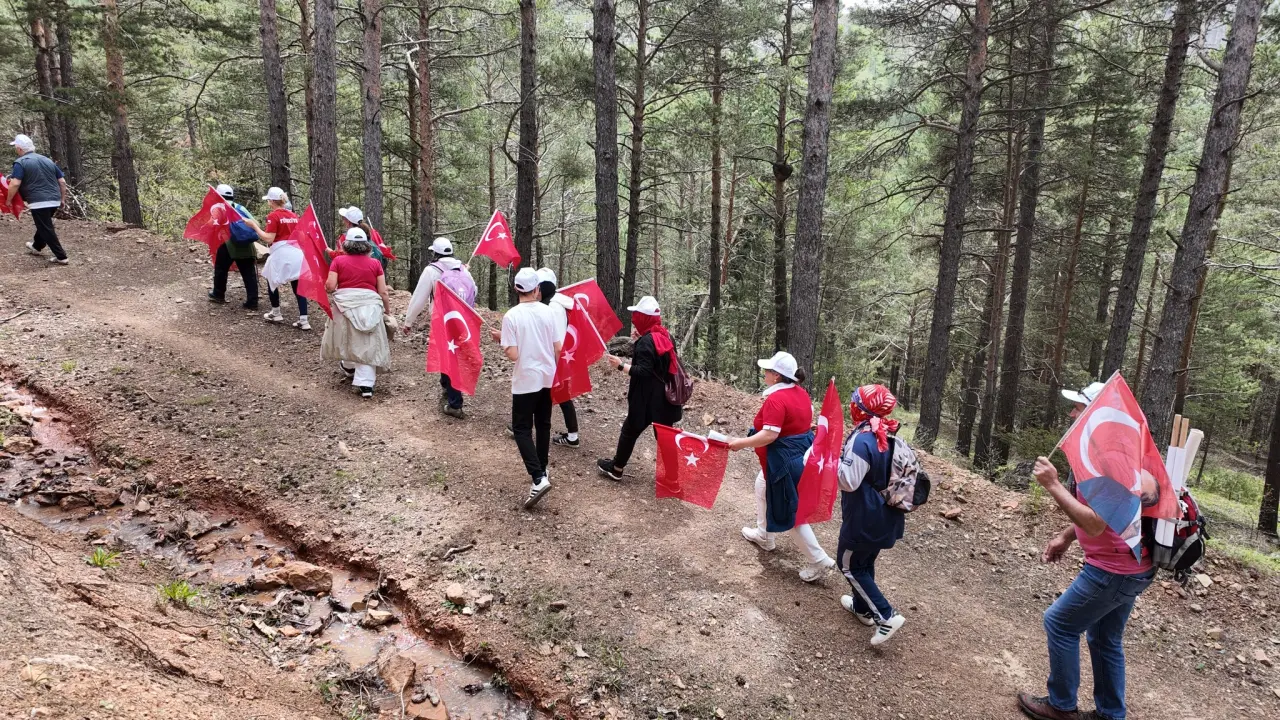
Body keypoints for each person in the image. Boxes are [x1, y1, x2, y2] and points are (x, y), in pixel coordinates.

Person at [1017, 382, 1155, 720]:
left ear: (1096, 413)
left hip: (1114, 570)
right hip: (1131, 567)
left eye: (1079, 407)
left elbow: (1095, 523)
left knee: (1059, 623)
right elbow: (1107, 517)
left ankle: (1061, 706)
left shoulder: (1111, 459)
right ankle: (1110, 714)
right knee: (1105, 637)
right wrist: (1066, 536)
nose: (1071, 413)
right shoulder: (1108, 450)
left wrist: (1051, 485)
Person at [727, 352, 836, 583]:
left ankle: (819, 560)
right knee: (762, 485)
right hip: (798, 457)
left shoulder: (777, 400)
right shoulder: (800, 393)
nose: (764, 373)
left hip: (785, 462)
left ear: (776, 376)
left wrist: (740, 444)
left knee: (790, 511)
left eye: (767, 370)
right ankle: (764, 534)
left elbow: (769, 435)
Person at [835, 384, 908, 646]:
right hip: (887, 515)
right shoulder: (890, 434)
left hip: (864, 518)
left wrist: (829, 462)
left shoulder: (863, 439)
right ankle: (862, 607)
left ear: (862, 408)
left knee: (848, 564)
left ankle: (886, 616)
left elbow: (849, 481)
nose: (851, 405)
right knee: (864, 562)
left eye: (855, 401)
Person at [596, 296, 682, 482]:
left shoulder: (647, 341)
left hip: (646, 399)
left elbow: (643, 371)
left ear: (644, 317)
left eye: (637, 315)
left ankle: (617, 468)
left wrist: (620, 365)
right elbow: (657, 361)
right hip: (665, 399)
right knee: (665, 438)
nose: (634, 318)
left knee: (630, 430)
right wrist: (641, 339)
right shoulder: (665, 335)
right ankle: (673, 479)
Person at [496, 268, 561, 509]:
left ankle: (537, 478)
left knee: (522, 429)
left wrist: (504, 342)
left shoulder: (511, 316)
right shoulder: (548, 312)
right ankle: (542, 469)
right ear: (537, 290)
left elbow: (513, 355)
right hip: (547, 376)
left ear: (516, 289)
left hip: (525, 380)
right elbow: (558, 347)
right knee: (543, 425)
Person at [403, 236, 477, 418]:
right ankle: (447, 386)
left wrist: (408, 321)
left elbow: (419, 297)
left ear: (435, 253)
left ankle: (455, 402)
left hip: (442, 321)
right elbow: (473, 291)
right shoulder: (462, 269)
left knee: (449, 356)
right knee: (451, 354)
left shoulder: (431, 270)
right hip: (461, 319)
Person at [321, 228, 392, 399]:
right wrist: (387, 311)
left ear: (346, 244)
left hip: (344, 305)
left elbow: (330, 287)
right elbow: (383, 291)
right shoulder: (375, 263)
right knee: (367, 342)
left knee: (346, 337)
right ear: (366, 245)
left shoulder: (338, 261)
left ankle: (348, 366)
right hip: (370, 305)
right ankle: (366, 384)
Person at [6, 134, 69, 264]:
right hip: (54, 198)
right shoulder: (47, 160)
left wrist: (8, 200)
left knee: (46, 227)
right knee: (44, 223)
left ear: (19, 148)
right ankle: (36, 246)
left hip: (38, 200)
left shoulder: (20, 162)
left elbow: (15, 183)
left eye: (16, 148)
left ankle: (61, 256)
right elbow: (62, 182)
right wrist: (62, 199)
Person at [253, 187, 309, 330]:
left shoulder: (274, 216)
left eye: (269, 201)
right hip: (296, 252)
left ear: (272, 201)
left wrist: (254, 226)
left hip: (281, 252)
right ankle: (304, 319)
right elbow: (301, 236)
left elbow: (268, 237)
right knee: (298, 285)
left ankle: (276, 312)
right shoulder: (293, 215)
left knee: (271, 279)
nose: (268, 203)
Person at [206, 183, 260, 309]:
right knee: (249, 274)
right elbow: (255, 223)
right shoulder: (240, 208)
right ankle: (252, 302)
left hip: (228, 245)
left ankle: (218, 295)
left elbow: (210, 225)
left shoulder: (219, 208)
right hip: (247, 245)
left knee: (221, 270)